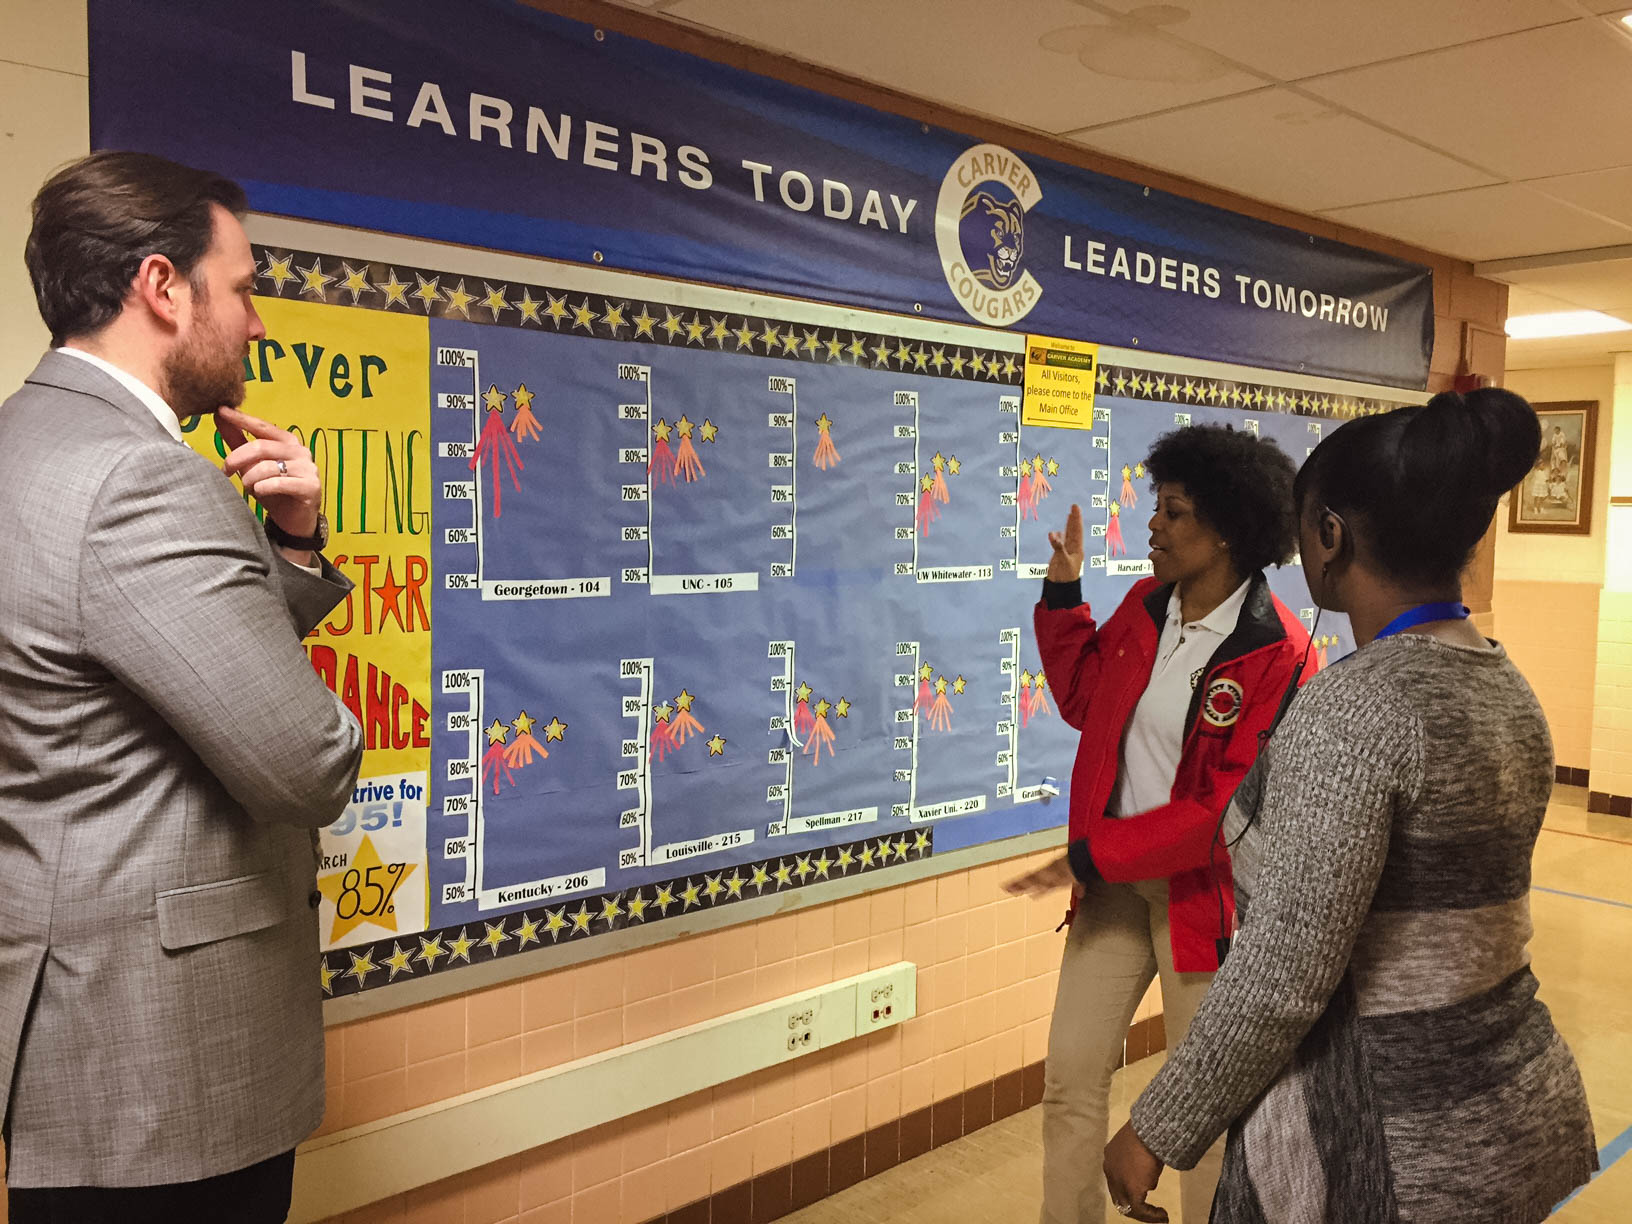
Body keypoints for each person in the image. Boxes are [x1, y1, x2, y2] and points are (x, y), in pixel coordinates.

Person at [1105, 389, 1598, 1223]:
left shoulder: (1357, 709)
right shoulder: (1506, 686)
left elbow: (1285, 972)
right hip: (1510, 1115)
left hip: (1388, 1154)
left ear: (1330, 535)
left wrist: (1156, 1128)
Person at [0, 151, 363, 1222]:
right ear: (163, 287)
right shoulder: (141, 478)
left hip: (71, 1032)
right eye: (244, 286)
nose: (257, 321)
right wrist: (320, 712)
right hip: (166, 1061)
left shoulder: (24, 442)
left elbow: (127, 669)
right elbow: (306, 760)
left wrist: (289, 548)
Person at [1006, 425, 1309, 1224]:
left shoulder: (1276, 656)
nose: (1153, 527)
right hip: (1112, 888)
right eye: (1158, 508)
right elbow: (1083, 700)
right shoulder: (1146, 606)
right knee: (1071, 1078)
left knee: (1198, 1108)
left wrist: (1090, 852)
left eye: (1173, 512)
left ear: (1228, 532)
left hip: (1199, 904)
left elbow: (1225, 815)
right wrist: (1065, 596)